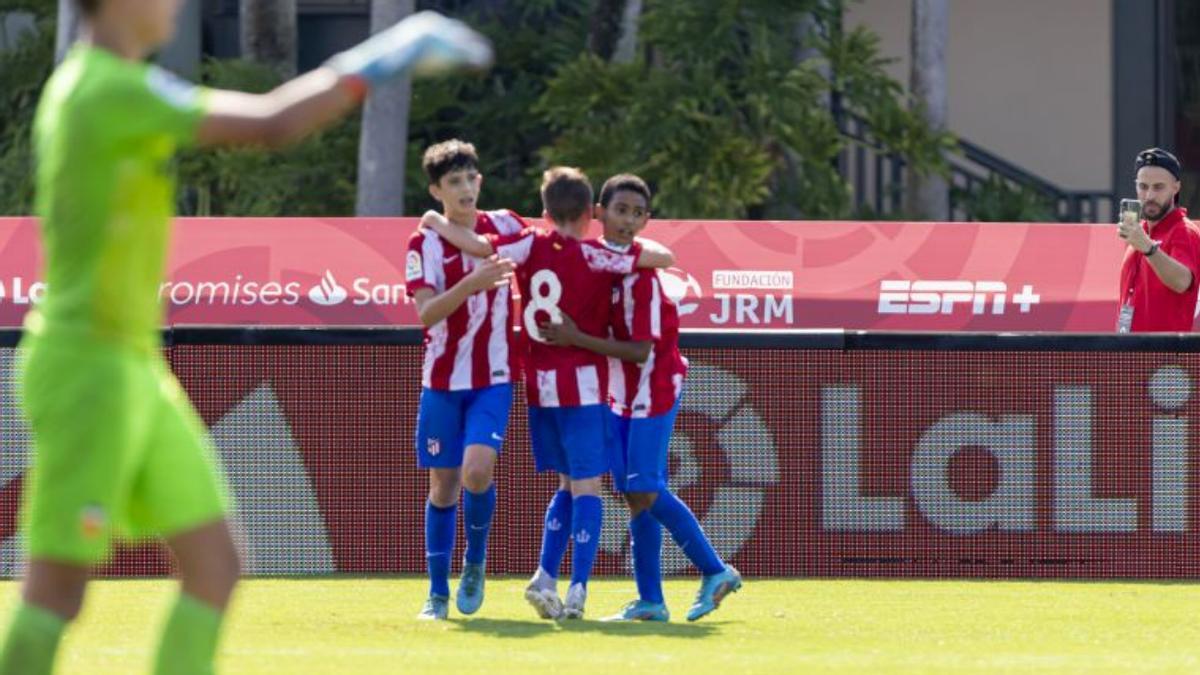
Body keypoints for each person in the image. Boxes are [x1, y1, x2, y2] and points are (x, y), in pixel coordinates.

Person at [0, 2, 490, 672]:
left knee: (214, 565)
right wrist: (383, 55)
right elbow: (274, 122)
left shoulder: (118, 86)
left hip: (135, 367)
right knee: (57, 594)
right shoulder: (104, 89)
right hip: (84, 367)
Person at [421, 167, 674, 620]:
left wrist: (438, 223)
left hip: (540, 387)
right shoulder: (598, 255)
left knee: (561, 486)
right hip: (585, 384)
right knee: (587, 487)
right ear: (588, 214)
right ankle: (577, 589)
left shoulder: (526, 245)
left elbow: (482, 247)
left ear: (543, 211)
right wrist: (638, 245)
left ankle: (544, 577)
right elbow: (656, 258)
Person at [541, 174, 742, 622]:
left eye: (636, 213)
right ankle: (651, 600)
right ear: (598, 212)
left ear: (646, 219)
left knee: (644, 488)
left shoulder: (643, 278)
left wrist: (576, 337)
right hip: (621, 393)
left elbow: (641, 350)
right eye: (620, 210)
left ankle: (715, 571)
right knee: (634, 494)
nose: (628, 221)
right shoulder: (595, 261)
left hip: (653, 388)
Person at [405, 139, 523, 620]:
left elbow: (493, 247)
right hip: (442, 381)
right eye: (453, 181)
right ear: (437, 190)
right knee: (444, 486)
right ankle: (436, 594)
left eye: (470, 177)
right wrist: (469, 284)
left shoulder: (505, 225)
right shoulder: (422, 244)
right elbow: (427, 313)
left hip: (494, 376)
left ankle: (474, 564)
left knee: (477, 471)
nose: (465, 187)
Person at [1117, 148, 1200, 332]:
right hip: (1128, 351)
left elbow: (1182, 282)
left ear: (1176, 187)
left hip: (1165, 355)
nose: (1150, 196)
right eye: (1143, 186)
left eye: (1158, 187)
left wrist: (1147, 247)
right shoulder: (1139, 231)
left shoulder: (1184, 231)